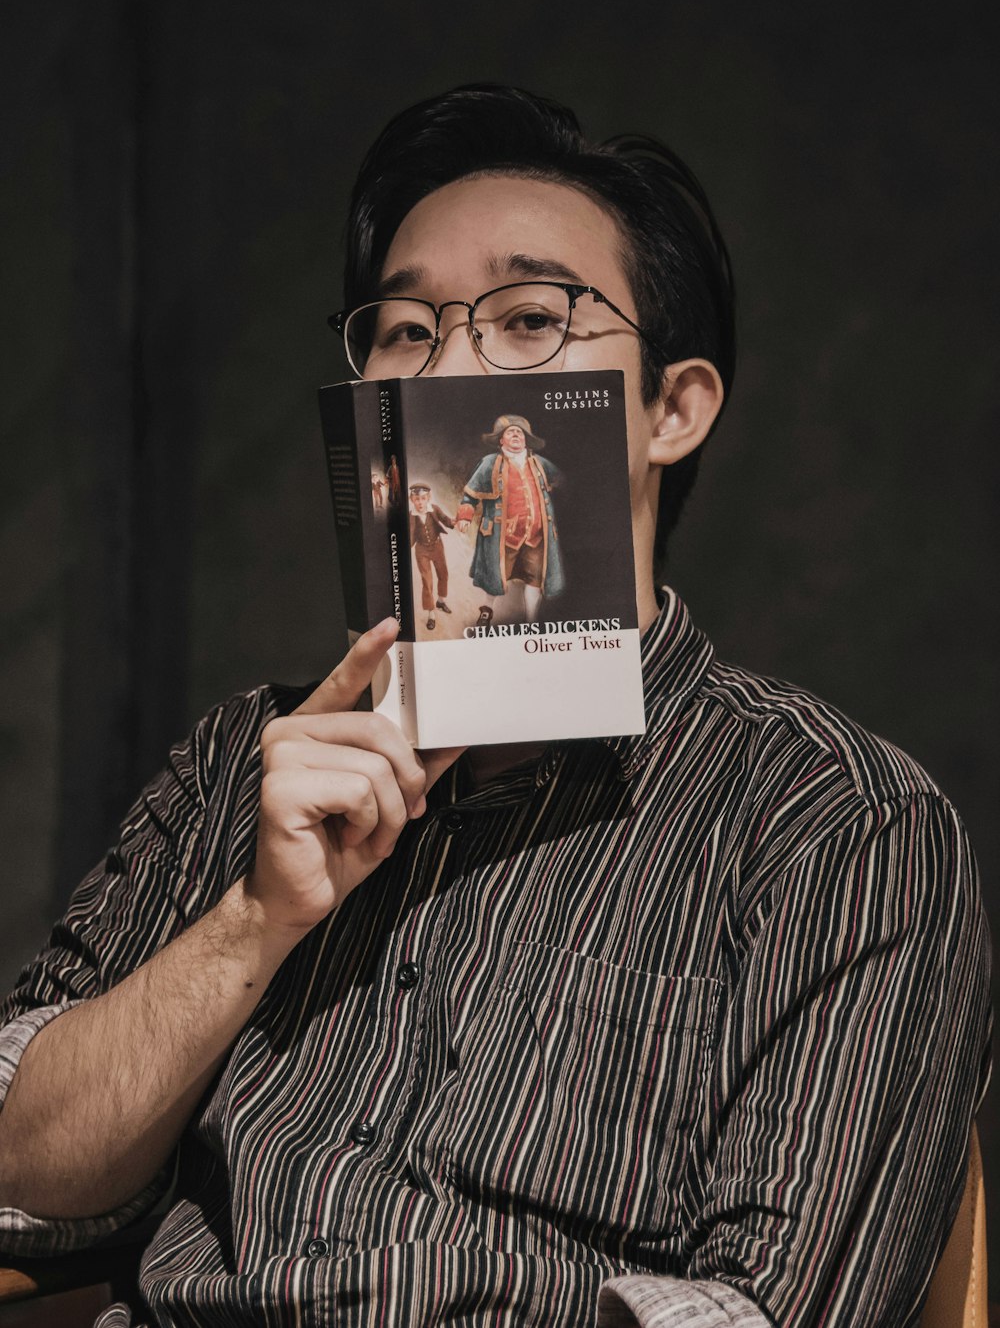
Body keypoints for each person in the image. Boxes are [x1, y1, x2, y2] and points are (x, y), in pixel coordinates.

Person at [0, 84, 990, 1328]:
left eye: (529, 317)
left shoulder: (838, 824)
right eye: (405, 329)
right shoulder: (242, 761)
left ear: (669, 410)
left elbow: (778, 1306)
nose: (453, 363)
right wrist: (254, 920)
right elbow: (19, 1173)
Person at [456, 414, 563, 623]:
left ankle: (532, 619)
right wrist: (465, 517)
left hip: (536, 535)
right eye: (510, 432)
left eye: (520, 432)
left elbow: (560, 480)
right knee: (495, 577)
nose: (516, 435)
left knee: (535, 579)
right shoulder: (489, 463)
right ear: (500, 440)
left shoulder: (540, 464)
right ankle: (487, 610)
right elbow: (470, 495)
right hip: (502, 535)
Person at [408, 483, 455, 630]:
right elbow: (408, 535)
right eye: (417, 499)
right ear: (412, 500)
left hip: (437, 547)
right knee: (427, 581)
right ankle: (431, 614)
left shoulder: (434, 509)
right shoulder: (410, 516)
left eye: (423, 498)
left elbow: (446, 520)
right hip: (421, 550)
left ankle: (441, 601)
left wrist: (456, 522)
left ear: (428, 498)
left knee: (443, 574)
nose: (420, 502)